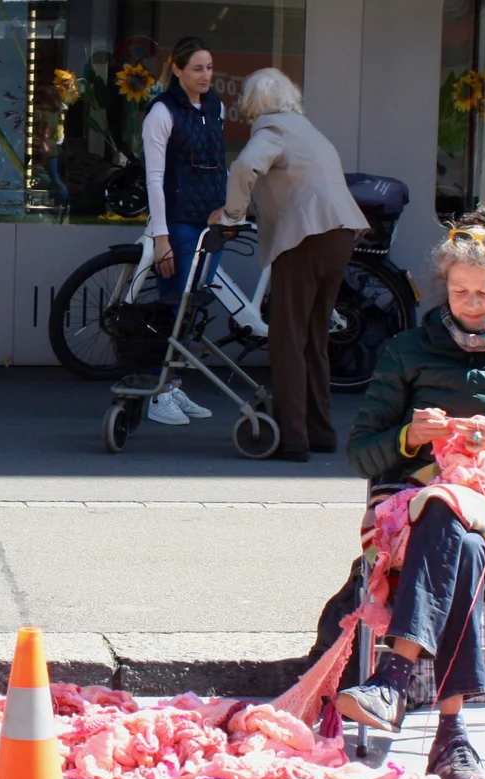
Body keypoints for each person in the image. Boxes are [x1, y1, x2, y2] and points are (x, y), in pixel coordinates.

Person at [335, 205, 485, 779]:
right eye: (459, 290)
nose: (469, 303)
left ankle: (394, 678)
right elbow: (361, 454)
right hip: (414, 517)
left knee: (454, 510)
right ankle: (450, 733)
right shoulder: (408, 350)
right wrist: (407, 437)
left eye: (483, 293)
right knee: (450, 523)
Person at [211, 69, 368, 462]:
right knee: (315, 337)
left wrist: (232, 215)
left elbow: (245, 167)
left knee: (287, 336)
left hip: (306, 237)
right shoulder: (308, 131)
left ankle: (293, 438)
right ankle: (321, 431)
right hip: (341, 234)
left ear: (255, 102)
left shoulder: (273, 131)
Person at [140, 35, 228, 426]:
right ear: (177, 70)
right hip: (178, 218)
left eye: (209, 68)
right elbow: (155, 178)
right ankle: (159, 394)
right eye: (197, 68)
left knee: (193, 309)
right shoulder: (161, 112)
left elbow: (219, 161)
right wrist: (162, 236)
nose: (205, 75)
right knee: (175, 302)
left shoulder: (215, 106)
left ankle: (174, 385)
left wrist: (227, 209)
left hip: (210, 219)